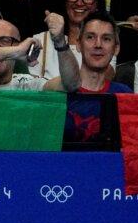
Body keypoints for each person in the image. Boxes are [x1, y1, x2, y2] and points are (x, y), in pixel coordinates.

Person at [46, 11, 132, 145]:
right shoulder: (56, 89)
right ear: (79, 44)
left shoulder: (125, 96)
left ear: (116, 48)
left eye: (106, 39)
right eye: (90, 37)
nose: (98, 45)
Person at [28, 0, 113, 81]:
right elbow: (32, 85)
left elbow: (104, 79)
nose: (79, 2)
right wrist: (58, 37)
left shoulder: (104, 42)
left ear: (96, 3)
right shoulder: (41, 40)